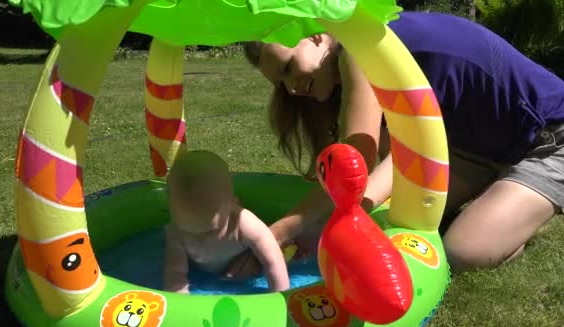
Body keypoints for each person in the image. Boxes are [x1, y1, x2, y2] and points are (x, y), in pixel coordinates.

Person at [226, 11, 564, 276]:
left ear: (315, 36)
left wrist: (278, 232)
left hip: (549, 137)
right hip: (470, 147)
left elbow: (356, 160)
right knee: (386, 218)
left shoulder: (360, 52)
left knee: (462, 252)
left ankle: (511, 218)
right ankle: (500, 202)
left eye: (288, 68)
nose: (292, 88)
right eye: (280, 84)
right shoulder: (359, 46)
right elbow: (399, 157)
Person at [162, 150, 290, 293]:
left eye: (210, 230)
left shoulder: (244, 224)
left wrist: (280, 295)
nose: (200, 238)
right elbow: (176, 272)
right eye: (186, 230)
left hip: (248, 274)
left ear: (232, 204)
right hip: (201, 276)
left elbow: (273, 260)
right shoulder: (175, 231)